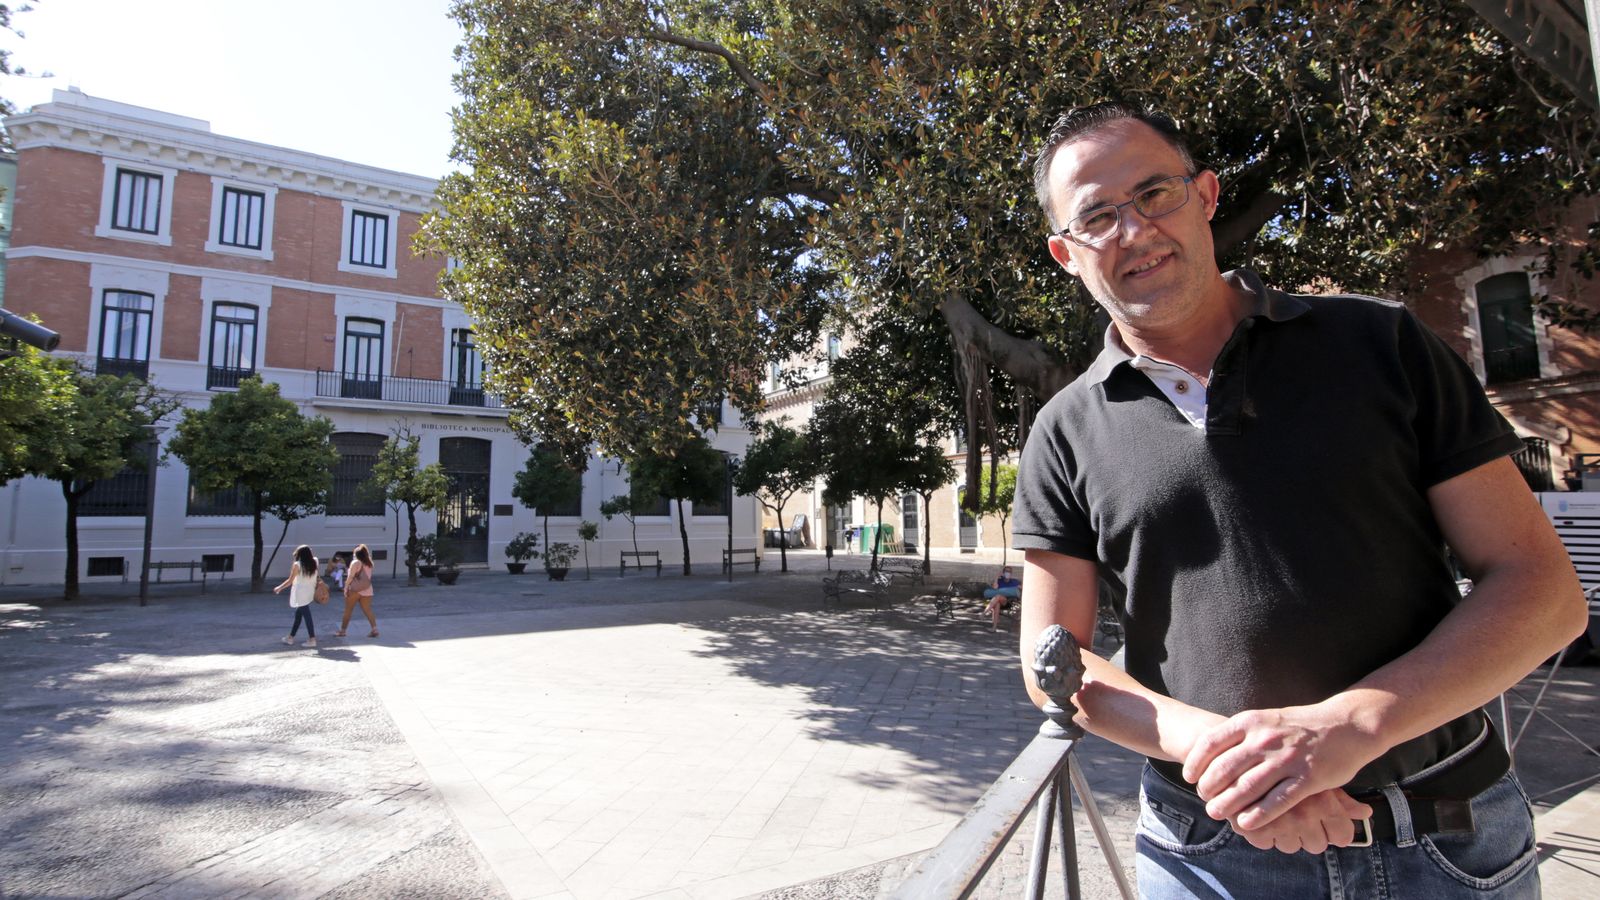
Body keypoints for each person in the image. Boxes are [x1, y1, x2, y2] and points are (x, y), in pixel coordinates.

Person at [1013, 101, 1587, 898]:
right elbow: (1052, 663)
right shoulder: (1062, 432)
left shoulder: (1383, 344)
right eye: (1097, 217)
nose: (1134, 231)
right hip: (1210, 852)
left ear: (1207, 195)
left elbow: (1544, 594)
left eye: (1154, 194)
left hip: (1448, 842)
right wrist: (1235, 762)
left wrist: (1348, 729)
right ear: (1065, 255)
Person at [273, 544, 320, 648]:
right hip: (310, 591)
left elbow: (290, 581)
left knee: (306, 615)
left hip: (300, 592)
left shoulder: (297, 565)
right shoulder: (315, 561)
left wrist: (279, 587)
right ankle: (290, 637)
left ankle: (312, 639)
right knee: (299, 615)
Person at [336, 543, 378, 639]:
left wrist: (346, 588)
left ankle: (343, 631)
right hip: (367, 589)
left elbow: (350, 577)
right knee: (367, 610)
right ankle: (374, 629)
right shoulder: (369, 563)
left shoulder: (355, 562)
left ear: (356, 554)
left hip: (355, 589)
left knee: (348, 610)